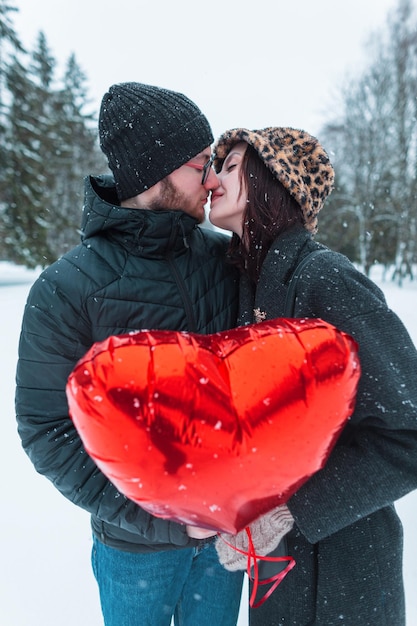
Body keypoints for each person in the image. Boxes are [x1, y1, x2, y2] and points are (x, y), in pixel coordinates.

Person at [15, 82, 243, 626]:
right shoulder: (67, 289)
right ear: (155, 174)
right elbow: (47, 430)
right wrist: (159, 522)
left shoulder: (224, 259)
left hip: (225, 545)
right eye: (200, 165)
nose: (212, 179)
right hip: (133, 552)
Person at [209, 127, 417, 625]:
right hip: (280, 576)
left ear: (271, 181)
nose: (214, 178)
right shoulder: (246, 284)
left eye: (232, 166)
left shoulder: (326, 279)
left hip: (344, 575)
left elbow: (406, 434)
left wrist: (289, 513)